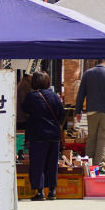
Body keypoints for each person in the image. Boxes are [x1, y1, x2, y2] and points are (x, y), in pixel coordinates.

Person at [21, 72, 65, 201]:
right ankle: (52, 191)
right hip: (54, 134)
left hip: (38, 134)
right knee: (52, 163)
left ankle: (40, 192)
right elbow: (61, 114)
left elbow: (25, 109)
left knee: (37, 164)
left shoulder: (31, 96)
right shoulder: (54, 96)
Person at [76, 59, 105, 173]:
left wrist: (78, 111)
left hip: (91, 111)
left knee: (91, 138)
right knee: (103, 139)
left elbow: (81, 94)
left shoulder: (87, 73)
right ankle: (99, 165)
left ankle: (88, 165)